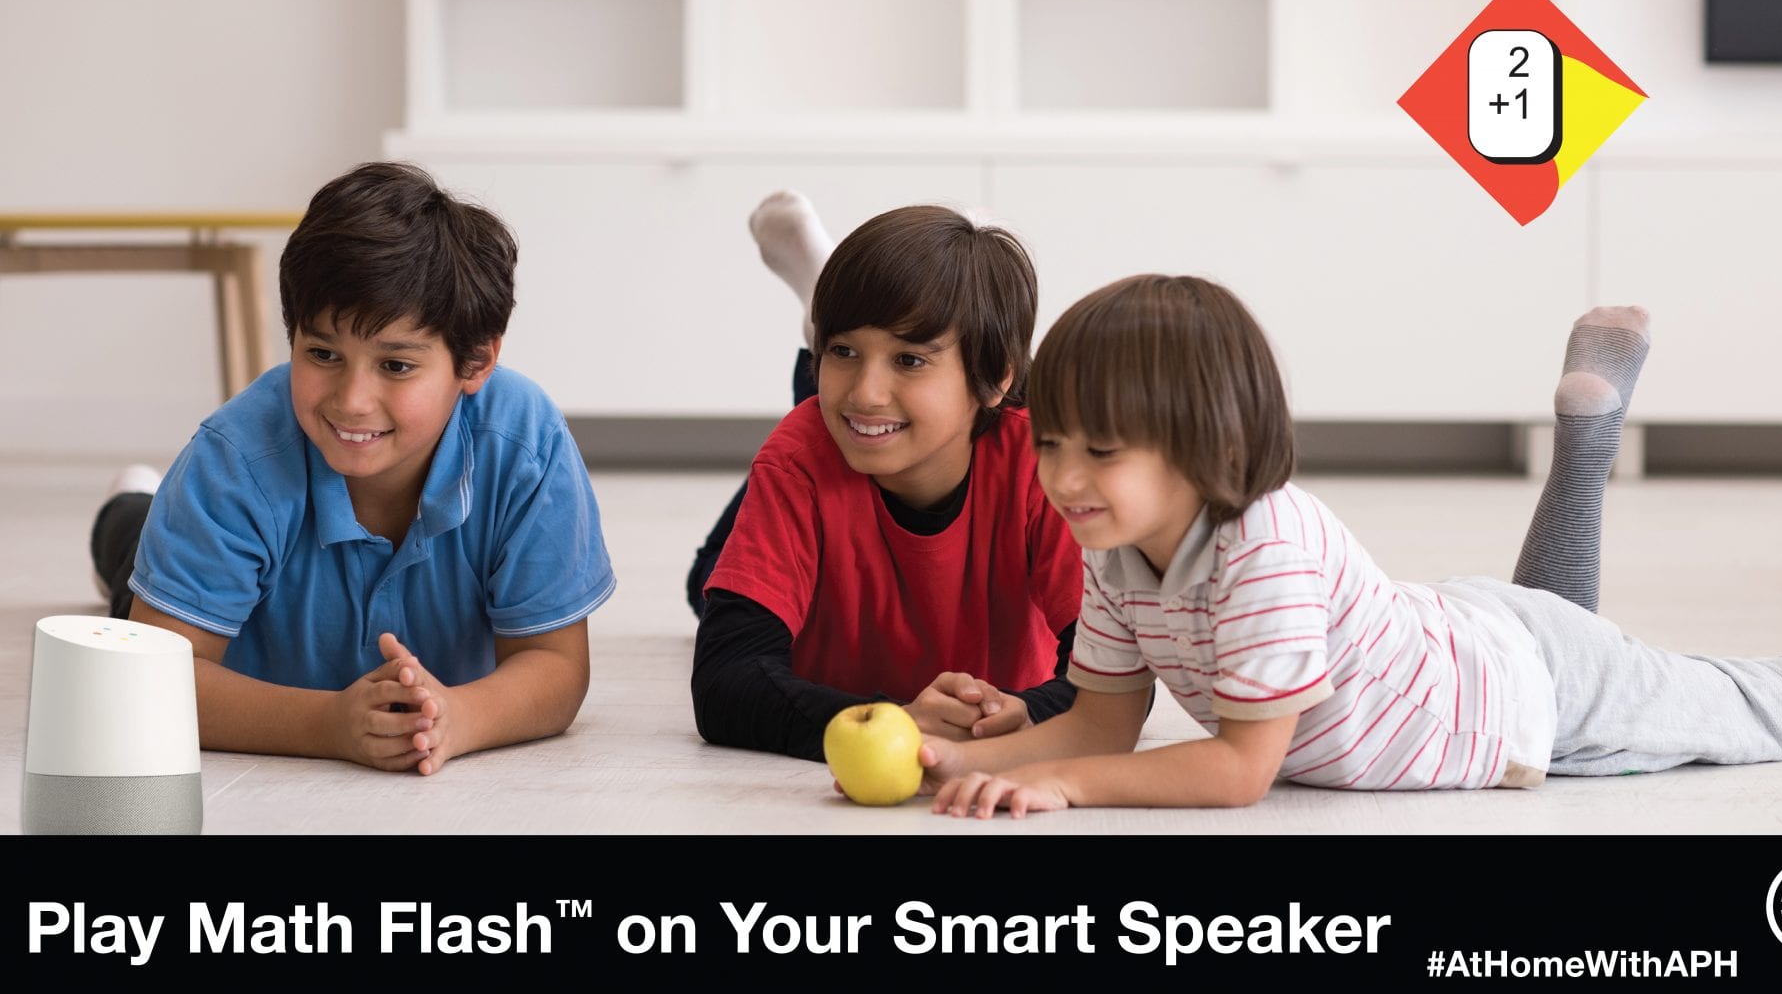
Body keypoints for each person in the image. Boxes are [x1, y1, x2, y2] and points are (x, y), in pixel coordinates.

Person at [917, 275, 1782, 816]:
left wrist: (1061, 783)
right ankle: (1587, 440)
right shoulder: (1114, 541)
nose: (1062, 478)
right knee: (1565, 632)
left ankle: (1587, 440)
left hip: (1523, 691)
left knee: (1773, 702)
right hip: (1473, 642)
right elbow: (1099, 727)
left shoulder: (1260, 548)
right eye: (1050, 444)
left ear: (1203, 448)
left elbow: (1235, 773)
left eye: (1100, 451)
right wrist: (951, 755)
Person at [87, 162, 614, 776]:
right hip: (210, 568)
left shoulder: (525, 446)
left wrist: (459, 716)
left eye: (395, 365)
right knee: (131, 553)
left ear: (475, 361)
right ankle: (132, 506)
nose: (351, 400)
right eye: (322, 354)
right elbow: (155, 682)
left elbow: (555, 663)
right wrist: (329, 726)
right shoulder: (236, 458)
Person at [689, 193, 1082, 761]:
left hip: (885, 437)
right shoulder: (800, 455)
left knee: (854, 419)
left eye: (910, 358)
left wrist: (1030, 716)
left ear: (994, 378)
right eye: (842, 349)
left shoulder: (1045, 462)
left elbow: (1118, 682)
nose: (867, 388)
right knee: (711, 577)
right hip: (827, 452)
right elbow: (725, 682)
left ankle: (828, 320)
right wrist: (894, 724)